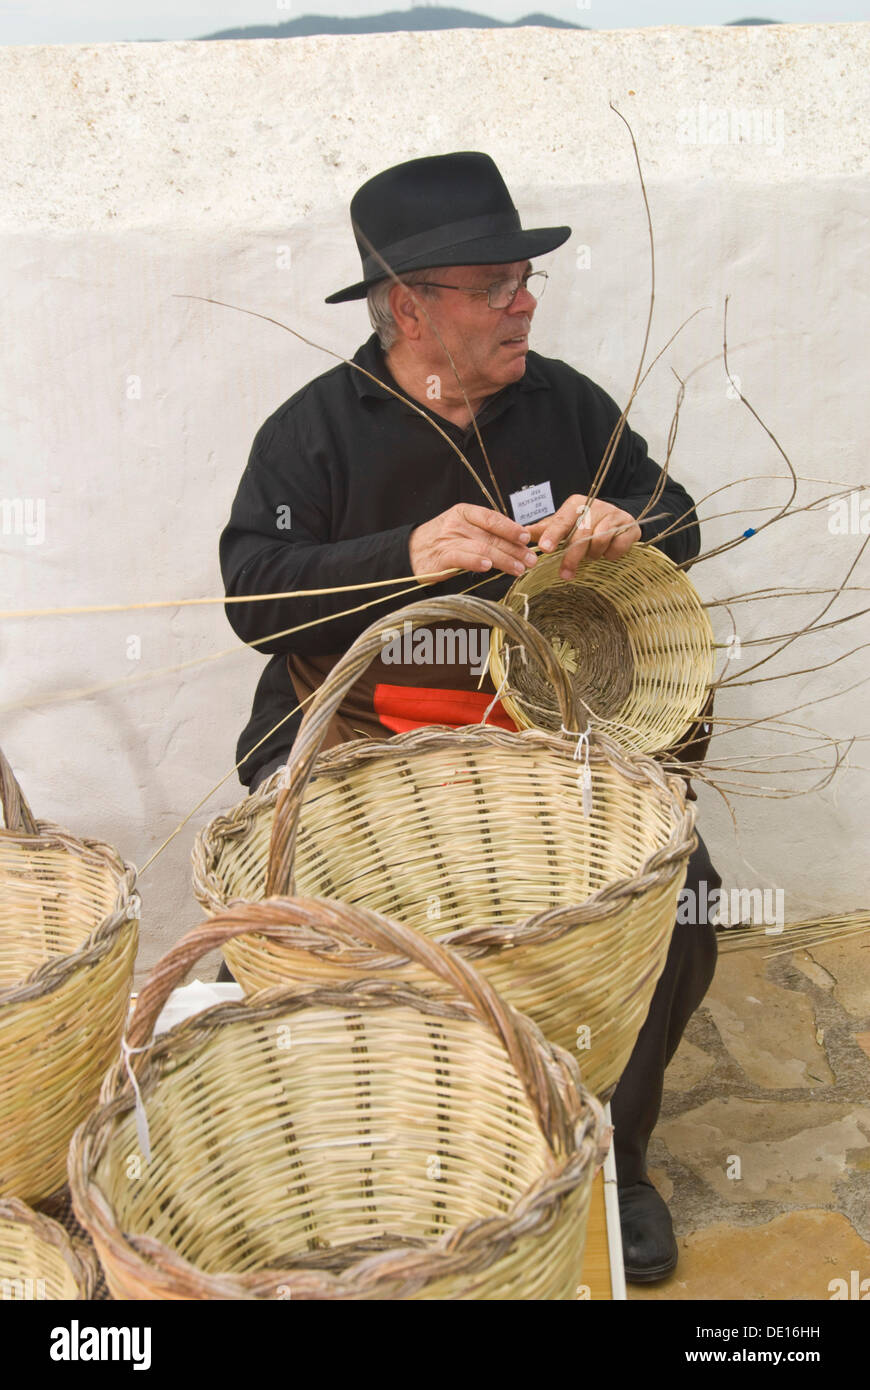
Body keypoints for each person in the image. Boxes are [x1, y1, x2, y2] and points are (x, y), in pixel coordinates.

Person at [219, 151, 720, 1284]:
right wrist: (404, 555)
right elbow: (253, 590)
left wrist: (625, 522)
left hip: (541, 747)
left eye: (523, 279)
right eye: (495, 283)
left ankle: (616, 1156)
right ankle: (402, 1161)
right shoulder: (316, 433)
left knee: (684, 901)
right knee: (345, 940)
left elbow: (673, 512)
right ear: (410, 307)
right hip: (373, 752)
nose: (524, 302)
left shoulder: (564, 403)